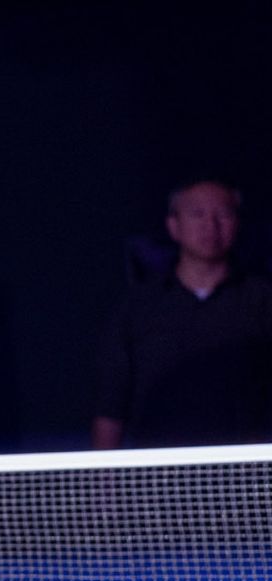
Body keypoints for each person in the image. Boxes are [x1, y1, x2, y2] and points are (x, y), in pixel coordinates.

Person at [92, 179, 272, 449]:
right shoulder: (138, 307)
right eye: (197, 214)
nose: (210, 226)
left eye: (223, 214)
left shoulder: (262, 299)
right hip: (159, 472)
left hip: (247, 471)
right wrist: (103, 484)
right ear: (174, 225)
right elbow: (110, 404)